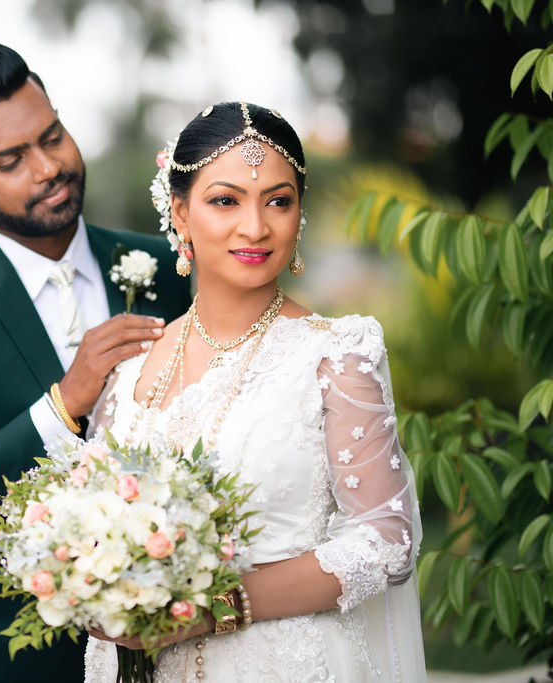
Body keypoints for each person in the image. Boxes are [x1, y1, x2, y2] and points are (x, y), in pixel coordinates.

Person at [84, 101, 427, 681]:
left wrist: (215, 609)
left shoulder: (336, 354)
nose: (256, 227)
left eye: (279, 200)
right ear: (181, 213)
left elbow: (387, 541)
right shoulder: (128, 371)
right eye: (226, 200)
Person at [0, 44, 192, 683]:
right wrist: (60, 407)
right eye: (10, 160)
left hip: (191, 648)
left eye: (52, 136)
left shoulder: (172, 268)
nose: (49, 166)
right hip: (27, 664)